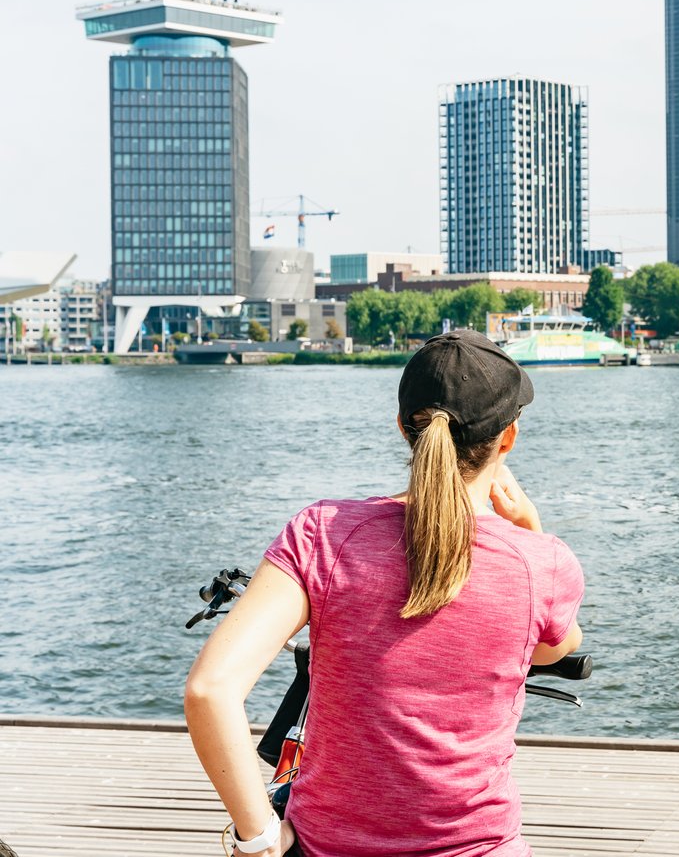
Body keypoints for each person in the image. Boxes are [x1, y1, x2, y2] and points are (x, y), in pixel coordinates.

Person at [185, 330, 585, 857]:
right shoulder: (542, 562)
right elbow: (556, 649)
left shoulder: (321, 534)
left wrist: (259, 837)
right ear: (507, 438)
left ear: (404, 428)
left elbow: (211, 691)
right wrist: (530, 532)